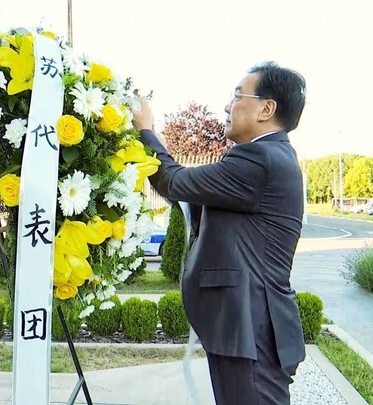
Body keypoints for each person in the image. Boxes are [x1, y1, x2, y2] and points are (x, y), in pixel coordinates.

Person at [131, 61, 307, 405]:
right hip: (247, 326)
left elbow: (174, 181)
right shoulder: (267, 156)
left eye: (238, 96)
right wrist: (158, 150)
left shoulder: (260, 159)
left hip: (251, 327)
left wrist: (145, 132)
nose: (228, 106)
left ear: (266, 109)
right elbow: (186, 190)